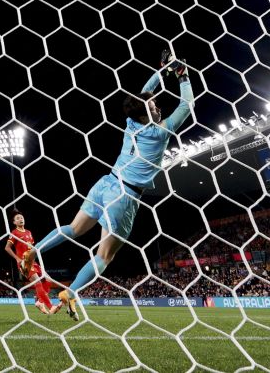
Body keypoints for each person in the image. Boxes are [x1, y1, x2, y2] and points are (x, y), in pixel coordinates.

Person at [23, 51, 193, 320]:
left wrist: (165, 70)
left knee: (75, 228)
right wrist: (182, 76)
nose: (157, 106)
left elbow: (145, 93)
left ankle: (36, 250)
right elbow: (186, 106)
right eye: (154, 107)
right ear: (146, 113)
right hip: (126, 197)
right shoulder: (161, 132)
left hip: (106, 182)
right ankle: (72, 292)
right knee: (105, 256)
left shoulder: (130, 122)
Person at [4, 213, 62, 316]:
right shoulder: (14, 233)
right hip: (24, 263)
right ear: (14, 222)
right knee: (37, 281)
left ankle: (39, 302)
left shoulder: (29, 232)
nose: (21, 219)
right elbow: (7, 248)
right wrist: (17, 258)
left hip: (33, 261)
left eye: (22, 217)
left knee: (48, 280)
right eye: (18, 218)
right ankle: (50, 306)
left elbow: (31, 248)